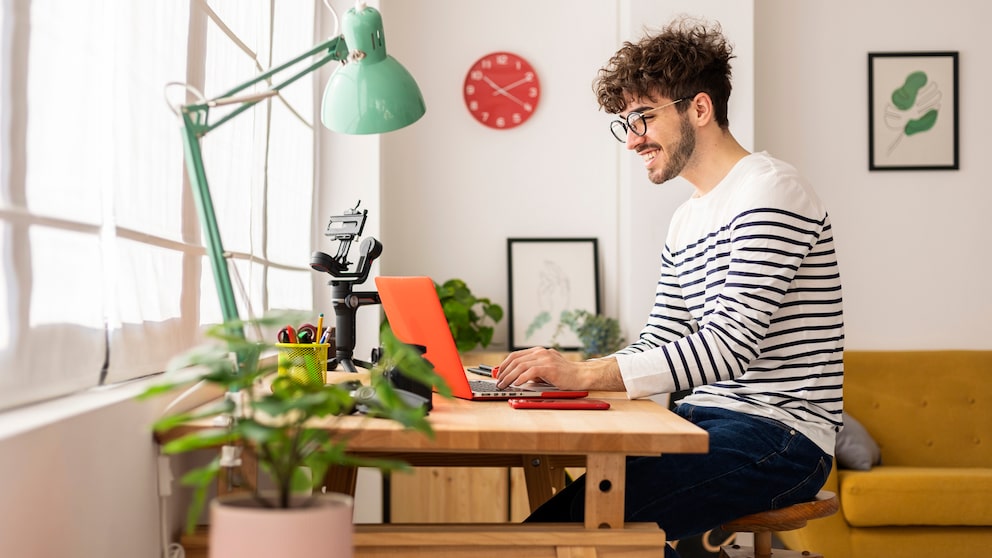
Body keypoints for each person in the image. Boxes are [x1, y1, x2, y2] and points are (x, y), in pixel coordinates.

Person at [495, 16, 844, 556]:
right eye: (625, 123)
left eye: (643, 118)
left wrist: (585, 373)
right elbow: (661, 339)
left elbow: (728, 347)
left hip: (782, 437)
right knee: (556, 523)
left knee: (566, 534)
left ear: (699, 109)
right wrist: (563, 381)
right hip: (701, 420)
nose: (633, 140)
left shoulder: (772, 191)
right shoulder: (687, 219)